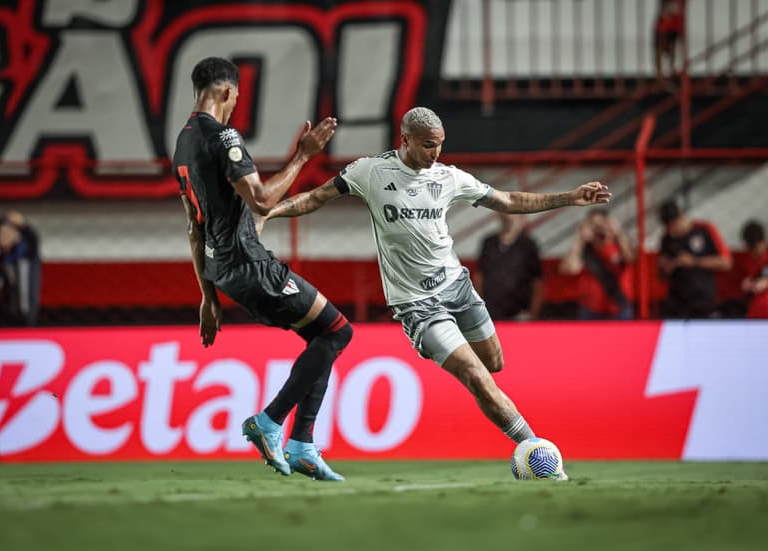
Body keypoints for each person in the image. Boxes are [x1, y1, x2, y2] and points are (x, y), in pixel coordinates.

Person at [259, 107, 610, 478]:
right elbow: (316, 197)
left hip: (458, 288)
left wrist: (570, 197)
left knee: (493, 364)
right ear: (405, 138)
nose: (435, 154)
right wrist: (270, 213)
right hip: (417, 306)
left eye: (440, 146)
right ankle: (537, 452)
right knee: (477, 376)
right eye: (428, 146)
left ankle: (479, 384)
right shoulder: (371, 172)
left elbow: (507, 201)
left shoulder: (448, 177)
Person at [172, 57, 350, 481]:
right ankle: (271, 422)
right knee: (338, 331)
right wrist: (303, 156)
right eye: (235, 98)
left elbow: (193, 229)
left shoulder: (183, 142)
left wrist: (207, 296)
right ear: (228, 92)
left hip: (222, 269)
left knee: (321, 337)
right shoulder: (223, 135)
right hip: (249, 263)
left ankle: (303, 444)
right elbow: (263, 201)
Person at [657, 200, 732, 318]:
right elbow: (661, 274)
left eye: (674, 224)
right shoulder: (666, 239)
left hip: (703, 302)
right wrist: (666, 268)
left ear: (681, 217)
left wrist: (694, 262)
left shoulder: (704, 230)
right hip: (677, 304)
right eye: (668, 226)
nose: (672, 229)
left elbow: (726, 262)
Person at [559, 209, 635, 320]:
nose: (598, 229)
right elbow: (569, 268)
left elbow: (631, 258)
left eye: (602, 224)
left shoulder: (618, 245)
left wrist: (619, 233)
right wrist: (580, 239)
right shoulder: (585, 249)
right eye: (594, 225)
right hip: (590, 311)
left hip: (618, 309)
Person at [475, 213, 543, 321]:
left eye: (514, 213)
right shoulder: (488, 243)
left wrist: (533, 313)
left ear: (522, 217)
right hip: (492, 312)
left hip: (520, 313)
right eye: (505, 212)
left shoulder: (528, 245)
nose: (509, 216)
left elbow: (537, 283)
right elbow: (479, 277)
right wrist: (480, 308)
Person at [0, 212, 42, 326]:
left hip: (28, 313)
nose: (0, 238)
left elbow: (33, 238)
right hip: (7, 315)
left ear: (14, 233)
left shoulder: (27, 252)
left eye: (5, 233)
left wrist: (23, 224)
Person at [654, 0, 685, 84]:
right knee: (662, 49)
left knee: (670, 49)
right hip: (665, 27)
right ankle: (661, 74)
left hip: (671, 26)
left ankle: (667, 73)